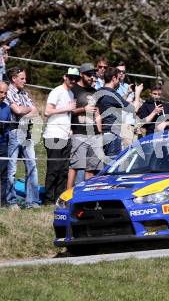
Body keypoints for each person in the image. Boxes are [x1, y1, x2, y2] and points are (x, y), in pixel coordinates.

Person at [42, 68, 78, 204]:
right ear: (65, 77)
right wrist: (67, 109)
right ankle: (48, 200)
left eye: (76, 78)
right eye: (71, 78)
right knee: (53, 169)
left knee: (63, 170)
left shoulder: (70, 93)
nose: (73, 80)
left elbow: (66, 115)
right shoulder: (56, 91)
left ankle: (58, 199)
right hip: (53, 135)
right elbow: (47, 111)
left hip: (65, 136)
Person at [6, 67, 40, 209]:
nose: (25, 81)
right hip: (15, 132)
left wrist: (24, 110)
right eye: (22, 78)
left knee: (32, 166)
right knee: (12, 168)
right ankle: (12, 201)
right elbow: (17, 110)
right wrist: (27, 109)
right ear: (14, 79)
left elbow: (36, 111)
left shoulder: (24, 93)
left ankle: (32, 201)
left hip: (27, 132)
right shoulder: (8, 92)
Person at [67, 63, 103, 189]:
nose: (91, 77)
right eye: (88, 75)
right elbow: (68, 111)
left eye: (93, 74)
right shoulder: (73, 90)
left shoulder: (94, 92)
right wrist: (84, 109)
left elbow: (98, 113)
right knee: (76, 167)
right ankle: (69, 196)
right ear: (81, 74)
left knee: (93, 168)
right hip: (79, 133)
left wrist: (100, 133)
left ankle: (89, 194)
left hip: (95, 134)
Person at [96, 67, 138, 156]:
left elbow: (116, 103)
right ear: (114, 78)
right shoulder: (112, 94)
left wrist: (127, 93)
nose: (119, 81)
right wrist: (137, 93)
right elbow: (133, 109)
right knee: (113, 165)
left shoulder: (99, 92)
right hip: (112, 134)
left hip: (102, 133)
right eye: (118, 79)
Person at [116, 63, 143, 148]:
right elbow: (120, 104)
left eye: (123, 72)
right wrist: (133, 95)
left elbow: (137, 106)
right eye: (119, 71)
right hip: (122, 124)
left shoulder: (128, 86)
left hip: (133, 124)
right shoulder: (113, 86)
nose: (121, 74)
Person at [0, 82, 11, 207]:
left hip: (3, 144)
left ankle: (2, 202)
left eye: (5, 93)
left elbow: (8, 127)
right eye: (1, 92)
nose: (3, 95)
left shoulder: (6, 108)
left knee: (3, 175)